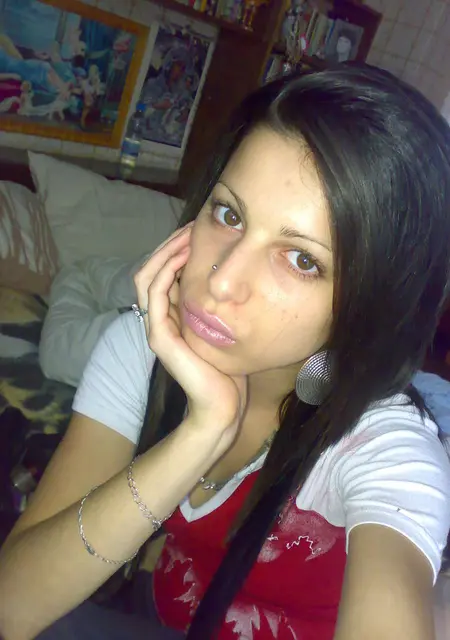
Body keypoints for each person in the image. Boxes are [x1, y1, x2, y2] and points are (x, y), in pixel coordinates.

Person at [0, 65, 450, 640]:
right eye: (229, 214)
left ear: (371, 303)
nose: (221, 280)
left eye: (302, 260)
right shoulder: (146, 347)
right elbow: (12, 606)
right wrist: (201, 433)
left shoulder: (382, 445)